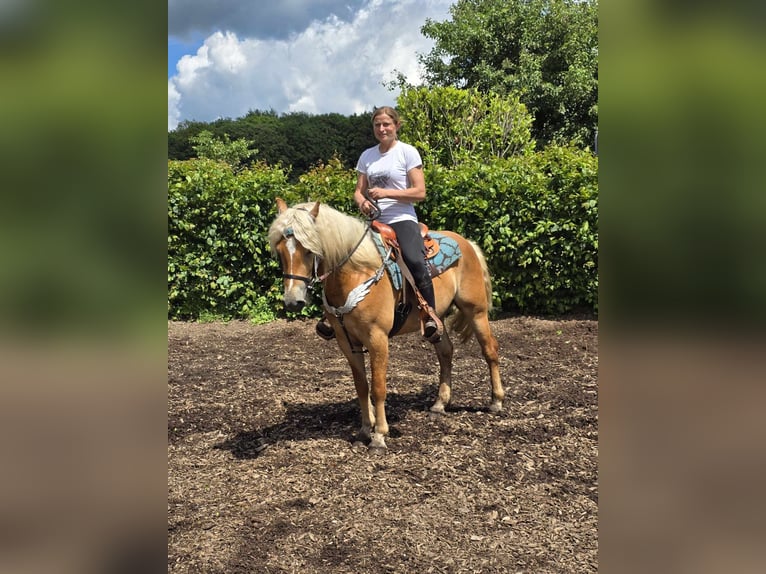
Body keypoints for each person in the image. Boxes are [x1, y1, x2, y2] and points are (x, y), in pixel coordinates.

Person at [316, 106, 442, 342]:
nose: (382, 129)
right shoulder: (367, 156)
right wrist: (363, 202)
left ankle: (430, 315)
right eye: (377, 125)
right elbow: (358, 191)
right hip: (373, 221)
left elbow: (420, 192)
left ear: (396, 126)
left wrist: (386, 193)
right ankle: (331, 314)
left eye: (386, 124)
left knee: (415, 260)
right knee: (340, 256)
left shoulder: (407, 152)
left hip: (401, 218)